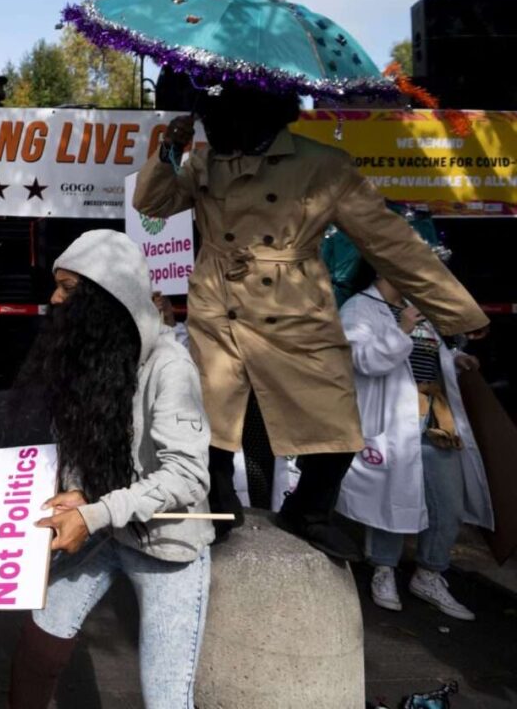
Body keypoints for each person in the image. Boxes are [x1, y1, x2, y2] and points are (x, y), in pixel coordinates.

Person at [135, 84, 488, 559]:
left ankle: (308, 511)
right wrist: (168, 152)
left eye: (217, 116)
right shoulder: (205, 162)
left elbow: (389, 241)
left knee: (335, 416)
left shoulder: (325, 165)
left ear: (258, 114)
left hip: (297, 301)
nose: (212, 127)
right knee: (210, 417)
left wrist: (454, 309)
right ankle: (219, 508)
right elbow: (151, 206)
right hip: (219, 300)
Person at [7, 230, 212, 709]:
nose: (55, 299)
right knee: (38, 646)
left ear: (109, 299)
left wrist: (92, 515)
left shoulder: (170, 366)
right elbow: (79, 440)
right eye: (56, 285)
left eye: (69, 289)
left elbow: (187, 477)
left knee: (166, 699)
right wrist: (78, 491)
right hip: (108, 534)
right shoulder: (90, 354)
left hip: (168, 548)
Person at [336, 255, 492, 621]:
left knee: (448, 504)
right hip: (392, 421)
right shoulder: (360, 308)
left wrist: (454, 360)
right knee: (392, 497)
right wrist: (401, 328)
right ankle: (384, 570)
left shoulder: (416, 308)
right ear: (383, 267)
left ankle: (430, 573)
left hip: (436, 421)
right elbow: (362, 360)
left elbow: (424, 357)